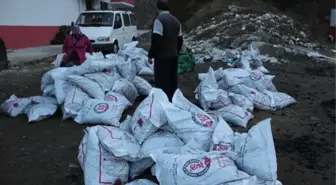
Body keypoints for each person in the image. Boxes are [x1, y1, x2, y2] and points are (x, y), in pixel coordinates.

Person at [148, 0, 183, 101]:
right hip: (174, 56)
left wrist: (151, 55)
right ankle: (173, 100)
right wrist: (176, 51)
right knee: (172, 80)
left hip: (162, 57)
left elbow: (156, 40)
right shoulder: (177, 21)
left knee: (162, 81)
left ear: (158, 9)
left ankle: (163, 102)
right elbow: (180, 40)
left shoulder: (159, 20)